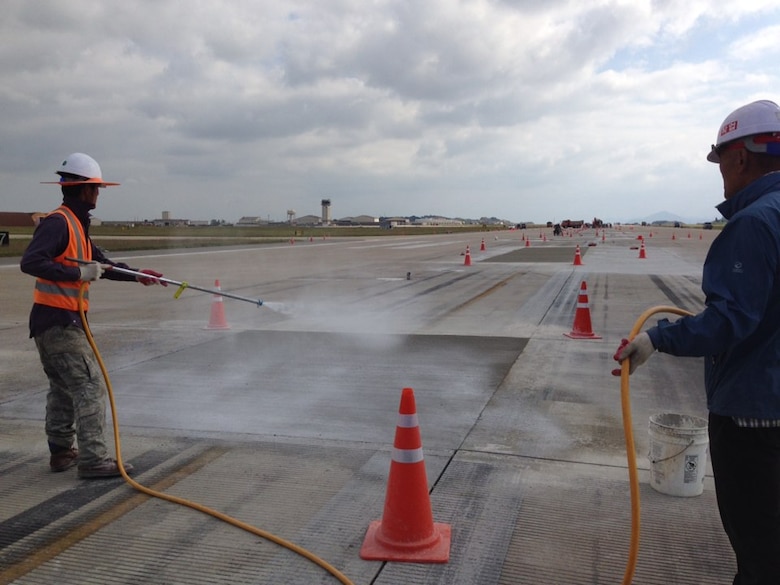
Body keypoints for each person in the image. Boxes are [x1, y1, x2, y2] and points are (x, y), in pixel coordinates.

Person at [614, 100, 780, 584]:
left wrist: (655, 340)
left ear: (742, 158)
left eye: (721, 160)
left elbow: (729, 320)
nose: (722, 174)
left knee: (761, 556)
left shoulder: (754, 222)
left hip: (753, 419)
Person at [21, 153, 166, 479]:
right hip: (58, 322)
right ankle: (93, 458)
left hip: (54, 322)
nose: (99, 194)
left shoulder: (76, 225)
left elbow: (101, 265)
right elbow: (31, 262)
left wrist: (138, 274)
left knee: (62, 387)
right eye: (96, 188)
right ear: (84, 189)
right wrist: (77, 273)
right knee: (89, 387)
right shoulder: (59, 223)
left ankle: (61, 452)